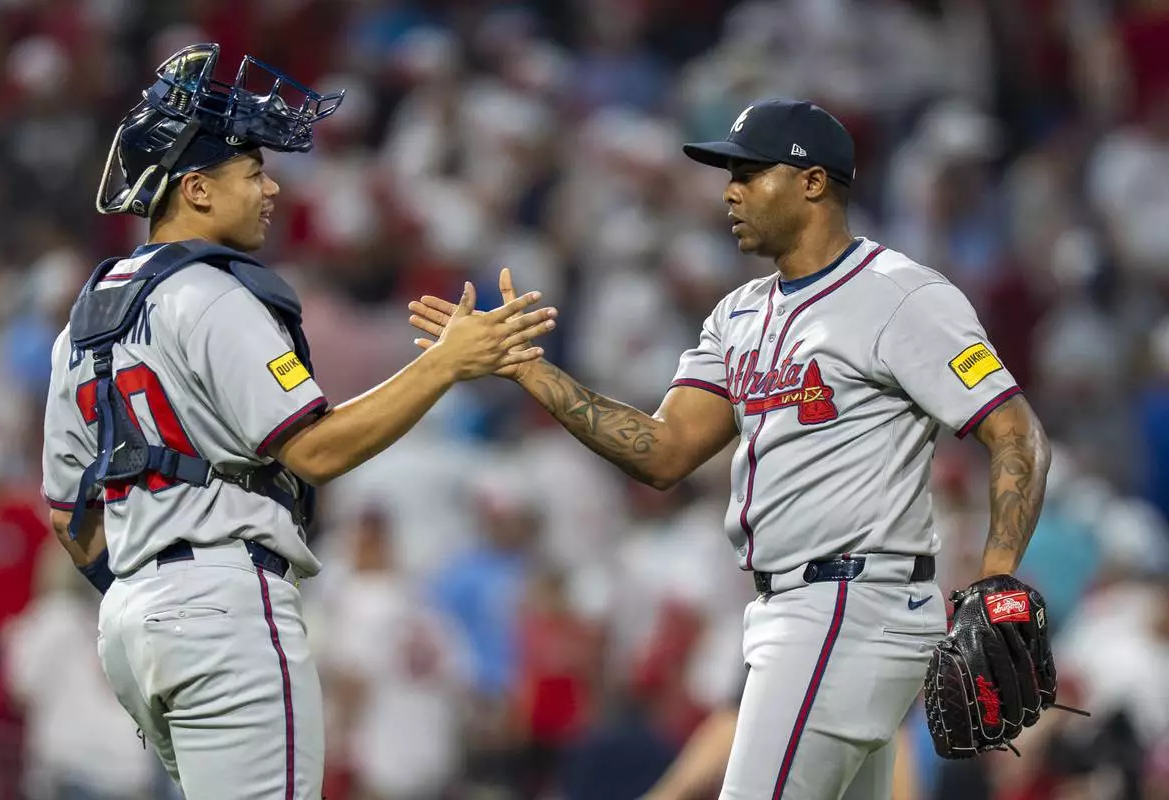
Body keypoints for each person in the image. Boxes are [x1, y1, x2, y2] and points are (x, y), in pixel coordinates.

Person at [408, 97, 1052, 799]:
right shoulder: (738, 314)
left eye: (749, 173)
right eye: (729, 175)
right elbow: (664, 451)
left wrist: (997, 579)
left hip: (847, 603)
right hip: (800, 608)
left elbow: (1015, 431)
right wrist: (531, 370)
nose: (730, 192)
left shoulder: (901, 296)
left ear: (812, 182)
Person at [40, 44, 555, 800]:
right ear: (196, 190)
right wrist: (446, 363)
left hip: (131, 621)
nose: (271, 187)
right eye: (252, 172)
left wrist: (152, 592)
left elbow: (68, 518)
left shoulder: (81, 325)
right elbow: (316, 449)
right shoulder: (212, 295)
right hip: (224, 606)